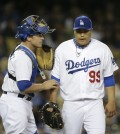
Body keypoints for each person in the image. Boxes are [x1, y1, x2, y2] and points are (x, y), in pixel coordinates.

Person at [51, 15, 119, 134]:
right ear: (74, 31)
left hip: (95, 103)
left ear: (91, 31)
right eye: (79, 31)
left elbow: (108, 77)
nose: (82, 34)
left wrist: (112, 100)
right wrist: (52, 102)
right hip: (71, 103)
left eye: (85, 31)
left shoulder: (103, 49)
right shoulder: (62, 49)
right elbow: (55, 78)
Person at [0, 15, 59, 134]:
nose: (42, 38)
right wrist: (43, 85)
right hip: (15, 103)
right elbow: (24, 86)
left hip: (21, 102)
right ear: (28, 37)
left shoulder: (26, 53)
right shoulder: (22, 56)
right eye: (39, 35)